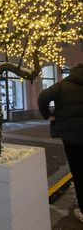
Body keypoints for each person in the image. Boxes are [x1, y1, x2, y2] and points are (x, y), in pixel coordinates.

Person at [38, 63, 83, 223]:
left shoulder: (63, 85)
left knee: (78, 171)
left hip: (70, 135)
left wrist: (48, 115)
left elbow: (43, 96)